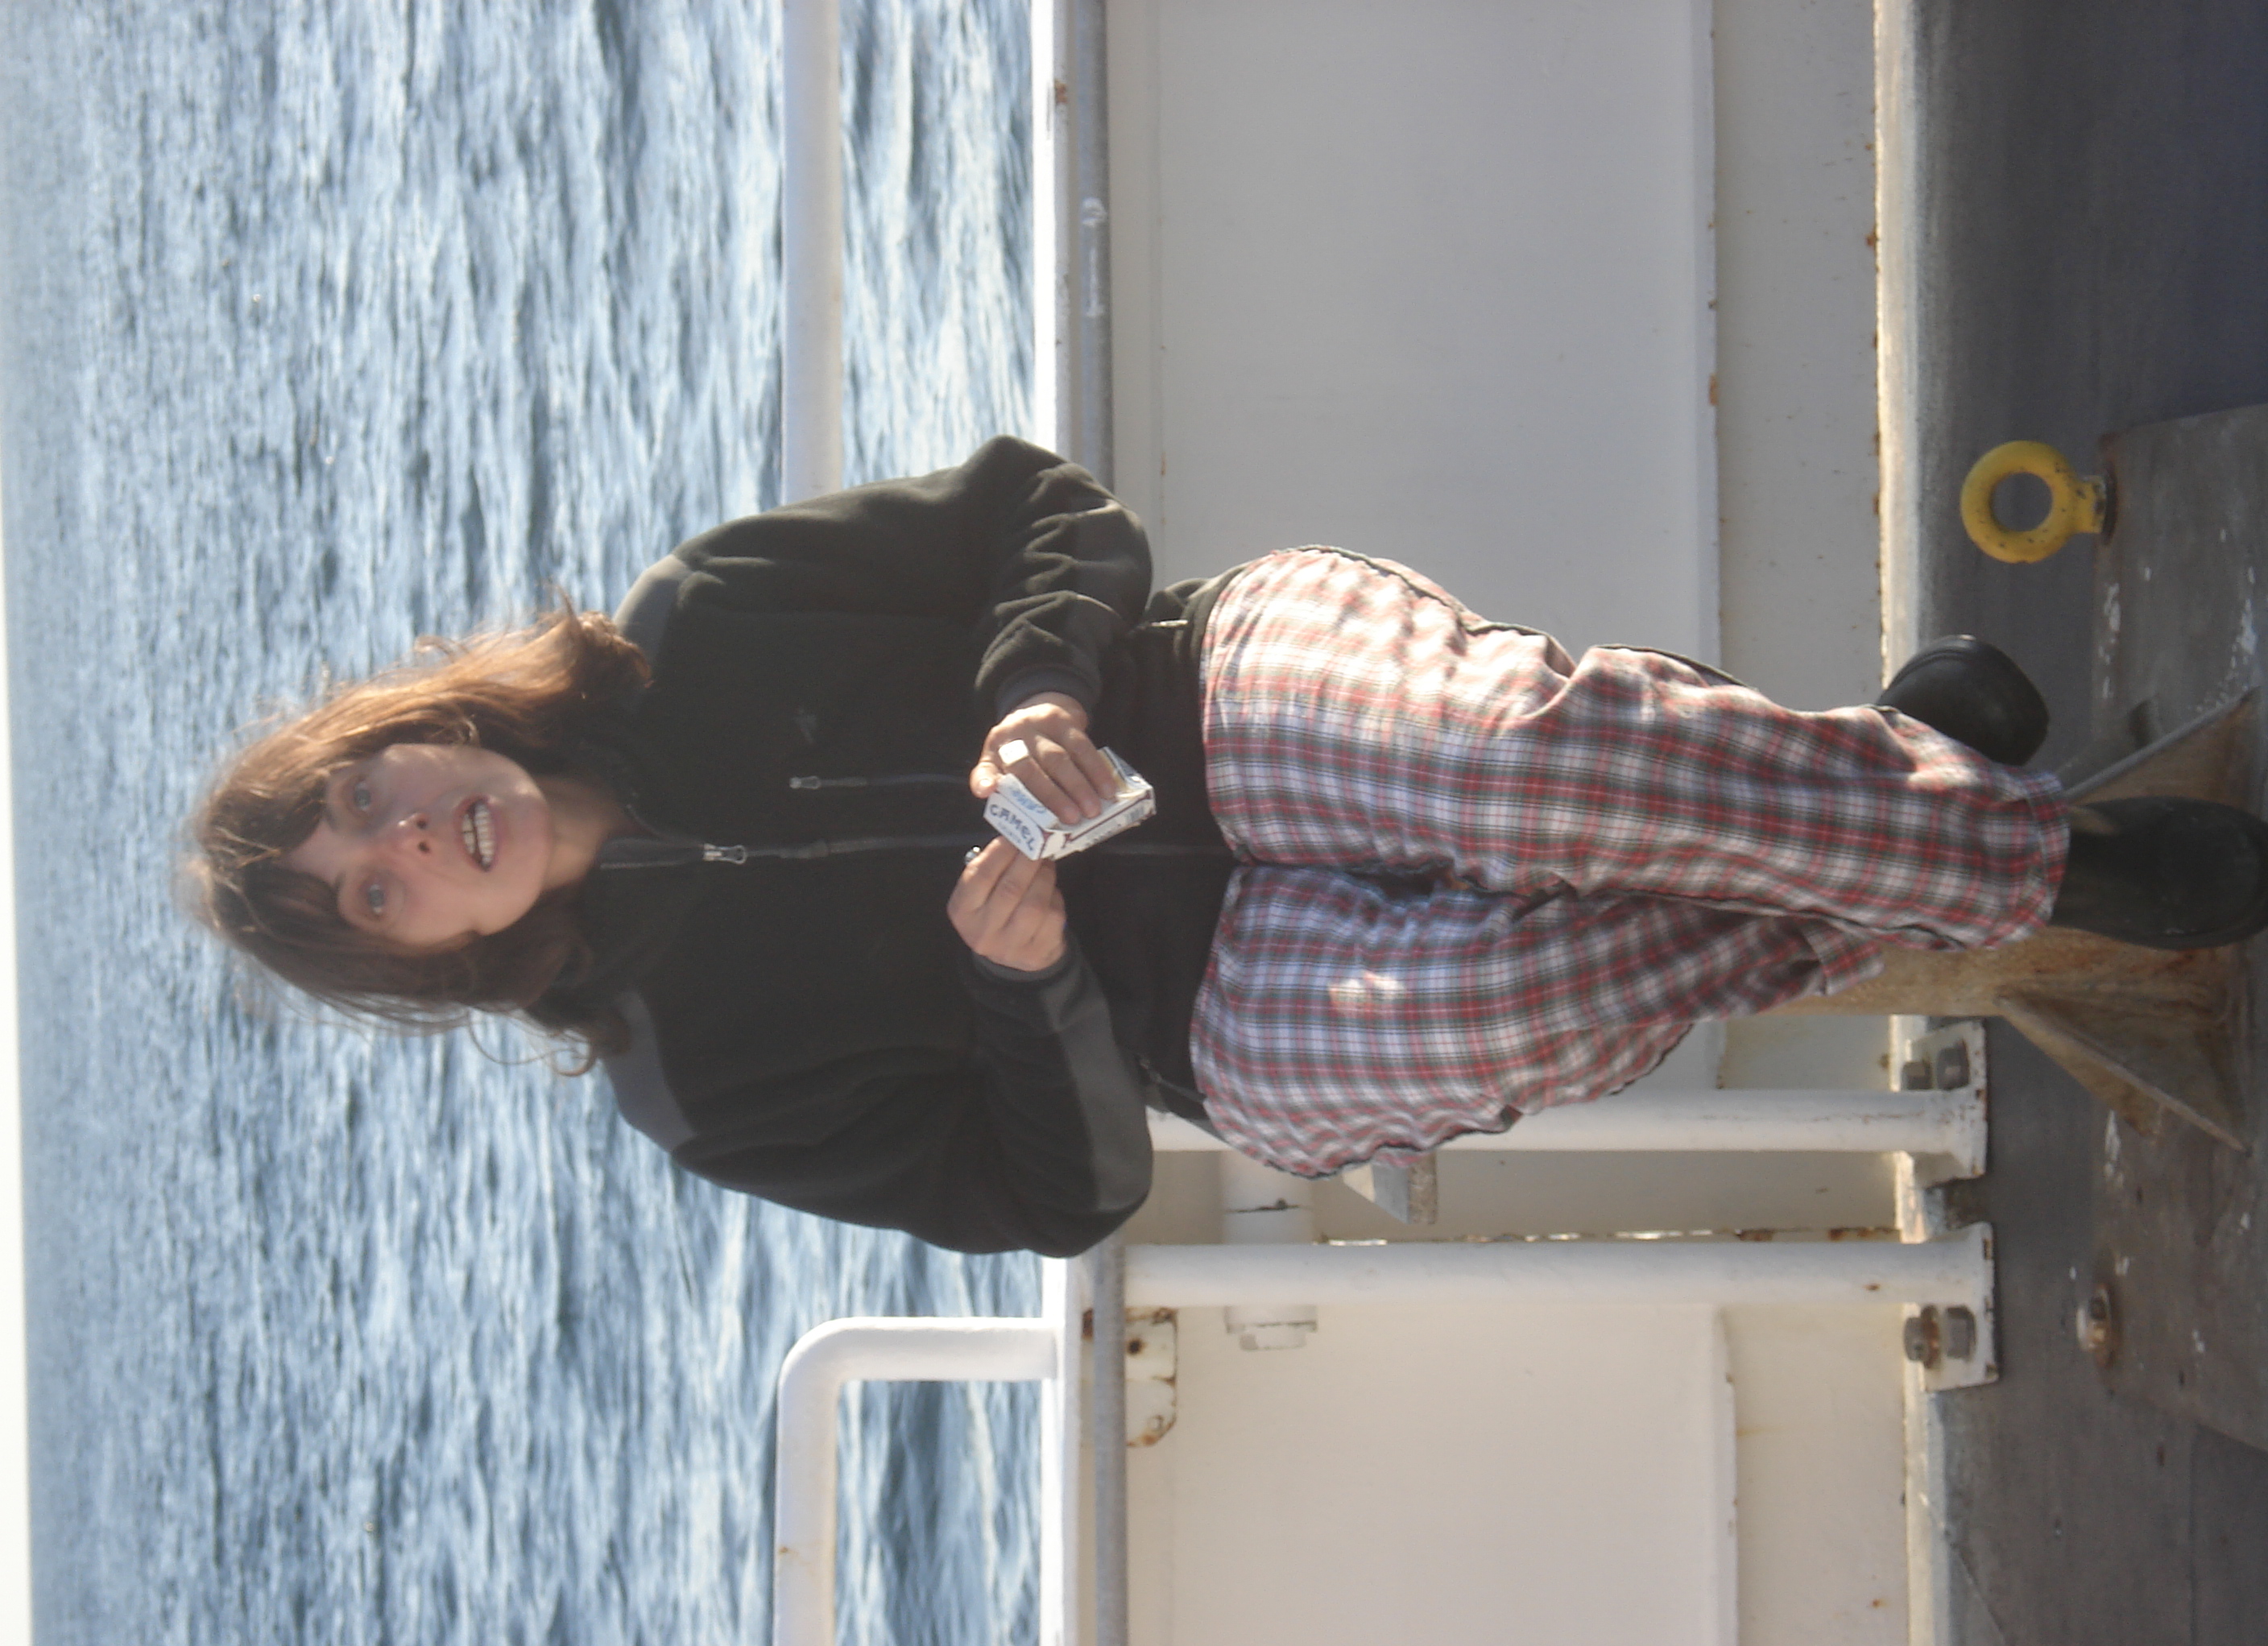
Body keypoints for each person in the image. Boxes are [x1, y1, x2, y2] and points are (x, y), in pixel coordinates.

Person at [188, 436, 2268, 1255]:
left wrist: (1041, 685)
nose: (413, 837)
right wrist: (1025, 993)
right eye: (375, 893)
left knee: (1500, 775)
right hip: (1195, 1022)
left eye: (368, 792)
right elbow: (1059, 1196)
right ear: (420, 955)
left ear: (414, 727)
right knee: (1493, 997)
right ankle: (1907, 776)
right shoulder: (697, 1088)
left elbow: (1046, 509)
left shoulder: (704, 617)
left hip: (1207, 694)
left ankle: (2049, 865)